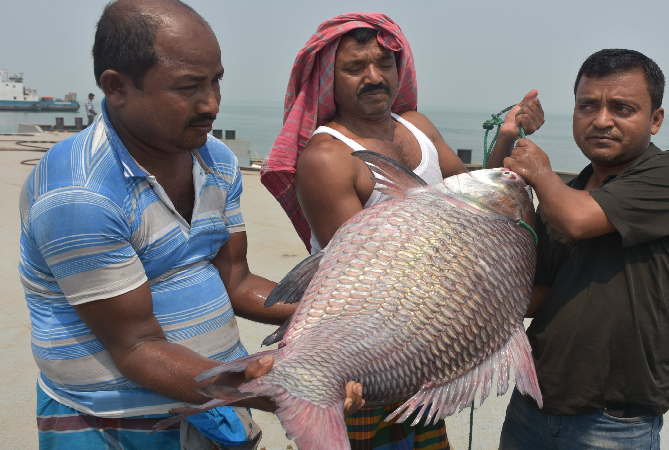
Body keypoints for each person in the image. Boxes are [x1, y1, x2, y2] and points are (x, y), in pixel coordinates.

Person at [20, 1, 362, 449]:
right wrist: (258, 381)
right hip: (114, 427)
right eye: (188, 87)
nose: (212, 104)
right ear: (116, 87)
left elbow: (235, 280)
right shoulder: (79, 196)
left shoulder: (214, 161)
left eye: (216, 80)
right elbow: (137, 347)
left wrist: (340, 319)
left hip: (210, 408)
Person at [261, 13, 544, 449]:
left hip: (421, 342)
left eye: (385, 64)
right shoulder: (327, 156)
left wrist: (505, 139)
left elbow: (472, 197)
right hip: (367, 354)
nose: (374, 77)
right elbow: (363, 277)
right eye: (354, 68)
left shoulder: (418, 125)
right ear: (326, 80)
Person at [488, 49, 669, 449]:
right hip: (530, 407)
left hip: (615, 423)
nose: (601, 120)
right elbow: (532, 296)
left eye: (622, 108)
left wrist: (538, 171)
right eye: (587, 106)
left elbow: (579, 218)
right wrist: (507, 138)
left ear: (655, 120)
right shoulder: (567, 195)